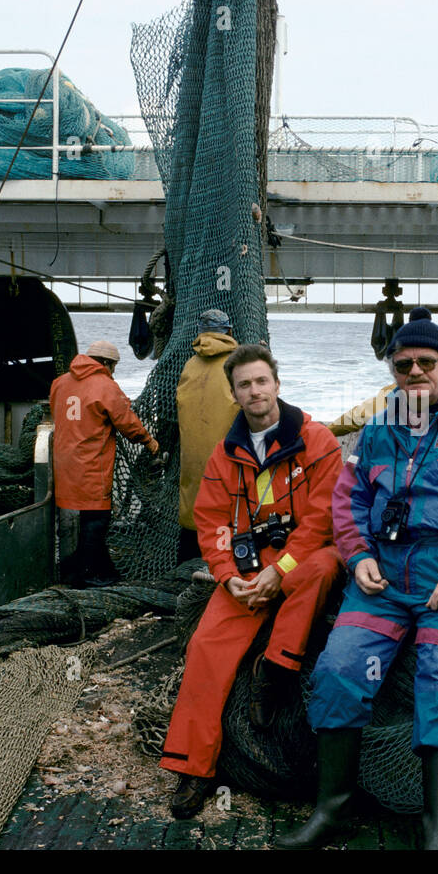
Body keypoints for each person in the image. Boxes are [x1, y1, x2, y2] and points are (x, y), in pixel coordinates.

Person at [280, 307, 438, 850]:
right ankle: (331, 810)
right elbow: (350, 497)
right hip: (382, 579)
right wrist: (356, 554)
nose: (413, 373)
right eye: (402, 364)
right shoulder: (378, 427)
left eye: (425, 362)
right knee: (339, 670)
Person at [161, 344, 345, 819]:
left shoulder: (317, 440)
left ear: (277, 384)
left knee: (323, 567)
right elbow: (210, 522)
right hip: (245, 571)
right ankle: (192, 768)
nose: (255, 390)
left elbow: (322, 522)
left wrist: (277, 571)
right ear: (234, 394)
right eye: (244, 384)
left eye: (262, 380)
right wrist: (227, 578)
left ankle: (275, 669)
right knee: (205, 647)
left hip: (300, 559)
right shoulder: (226, 455)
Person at [49, 340, 160, 588]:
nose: (114, 372)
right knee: (96, 521)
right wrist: (149, 441)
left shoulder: (60, 382)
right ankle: (87, 576)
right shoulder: (105, 386)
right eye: (114, 367)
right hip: (90, 464)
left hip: (64, 462)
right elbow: (126, 422)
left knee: (78, 519)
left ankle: (90, 569)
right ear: (107, 363)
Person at [175, 308, 240, 562]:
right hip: (228, 460)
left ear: (201, 334)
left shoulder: (190, 365)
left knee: (193, 514)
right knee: (227, 514)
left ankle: (184, 571)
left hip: (192, 461)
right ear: (230, 332)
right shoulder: (238, 364)